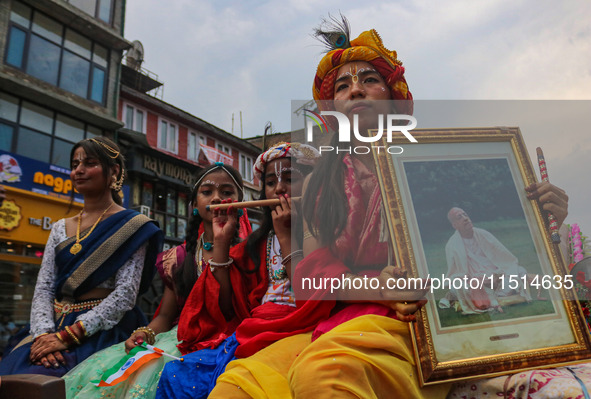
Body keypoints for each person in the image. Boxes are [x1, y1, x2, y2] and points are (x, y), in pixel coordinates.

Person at [208, 17, 570, 398]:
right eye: (343, 86)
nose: (355, 91)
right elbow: (315, 273)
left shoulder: (431, 164)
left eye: (369, 80)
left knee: (326, 376)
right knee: (239, 386)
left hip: (414, 316)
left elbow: (480, 244)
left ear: (394, 97)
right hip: (344, 310)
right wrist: (376, 287)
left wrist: (546, 223)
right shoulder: (320, 181)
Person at [63, 162, 246, 398]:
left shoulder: (250, 253)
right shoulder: (179, 257)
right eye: (207, 192)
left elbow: (231, 310)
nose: (218, 198)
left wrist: (222, 247)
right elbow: (165, 316)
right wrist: (146, 333)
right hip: (179, 338)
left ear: (241, 204)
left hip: (228, 342)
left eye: (227, 192)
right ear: (194, 204)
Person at [156, 142, 320, 399]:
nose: (278, 188)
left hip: (301, 329)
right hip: (254, 330)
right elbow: (227, 306)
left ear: (313, 185)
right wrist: (222, 242)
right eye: (270, 182)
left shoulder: (324, 233)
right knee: (177, 376)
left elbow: (307, 293)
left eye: (290, 178)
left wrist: (286, 235)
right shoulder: (256, 244)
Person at [0, 137, 163, 377]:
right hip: (52, 325)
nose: (79, 170)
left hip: (102, 331)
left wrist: (68, 337)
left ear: (114, 171)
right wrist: (44, 336)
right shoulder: (59, 227)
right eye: (75, 164)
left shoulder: (133, 226)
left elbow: (125, 294)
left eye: (90, 163)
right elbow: (44, 287)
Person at [439, 207, 533, 314]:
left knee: (520, 270)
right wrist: (476, 280)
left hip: (496, 277)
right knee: (456, 286)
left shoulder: (483, 234)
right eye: (459, 217)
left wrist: (497, 274)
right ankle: (502, 297)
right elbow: (455, 273)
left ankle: (495, 298)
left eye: (465, 215)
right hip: (475, 283)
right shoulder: (452, 245)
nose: (465, 218)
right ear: (455, 225)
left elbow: (504, 258)